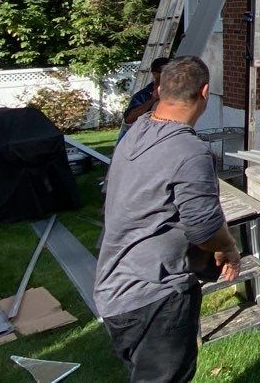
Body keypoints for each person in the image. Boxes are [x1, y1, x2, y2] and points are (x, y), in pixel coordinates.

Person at [94, 56, 240, 382]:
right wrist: (228, 247)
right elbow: (203, 229)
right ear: (204, 92)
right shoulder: (189, 151)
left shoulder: (137, 130)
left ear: (159, 90)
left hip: (115, 288)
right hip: (155, 297)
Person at [117, 57, 169, 144]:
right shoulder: (143, 95)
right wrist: (152, 100)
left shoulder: (176, 93)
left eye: (171, 72)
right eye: (164, 72)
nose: (169, 75)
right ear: (154, 74)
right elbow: (129, 119)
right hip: (139, 143)